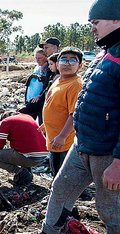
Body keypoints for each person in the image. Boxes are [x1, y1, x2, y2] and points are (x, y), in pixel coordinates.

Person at [11, 0, 120, 234]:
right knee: (61, 187)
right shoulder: (111, 48)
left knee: (111, 206)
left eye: (96, 22)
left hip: (113, 150)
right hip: (86, 143)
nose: (91, 27)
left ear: (116, 20)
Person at [39, 47, 83, 176]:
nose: (67, 64)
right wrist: (46, 125)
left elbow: (74, 114)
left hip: (64, 141)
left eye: (72, 61)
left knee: (63, 175)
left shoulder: (75, 84)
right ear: (57, 64)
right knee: (56, 170)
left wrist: (62, 136)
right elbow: (54, 104)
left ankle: (63, 195)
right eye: (64, 60)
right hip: (54, 137)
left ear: (80, 66)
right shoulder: (59, 80)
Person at [0, 112, 48, 185]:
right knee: (20, 151)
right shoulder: (28, 117)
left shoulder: (6, 121)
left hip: (30, 157)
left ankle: (21, 173)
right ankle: (27, 174)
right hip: (43, 155)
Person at [19, 48, 48, 124]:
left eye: (40, 58)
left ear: (46, 58)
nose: (37, 60)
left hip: (39, 101)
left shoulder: (48, 70)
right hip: (30, 99)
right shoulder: (37, 68)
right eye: (36, 58)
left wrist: (39, 96)